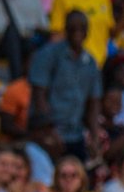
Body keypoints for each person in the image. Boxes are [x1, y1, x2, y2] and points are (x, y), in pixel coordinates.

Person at [29, 11, 100, 160]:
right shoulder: (48, 54)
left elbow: (93, 103)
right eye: (72, 28)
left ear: (87, 31)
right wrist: (50, 131)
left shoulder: (91, 63)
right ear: (66, 30)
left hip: (75, 133)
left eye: (82, 28)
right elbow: (39, 95)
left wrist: (94, 137)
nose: (77, 33)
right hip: (47, 132)